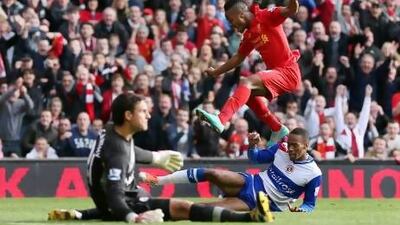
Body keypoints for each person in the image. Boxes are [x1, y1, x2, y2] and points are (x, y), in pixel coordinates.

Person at [48, 93, 273, 223]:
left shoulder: (111, 130)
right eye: (142, 111)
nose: (148, 114)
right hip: (128, 201)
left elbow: (129, 153)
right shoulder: (117, 151)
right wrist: (135, 218)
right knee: (184, 207)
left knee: (153, 200)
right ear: (128, 116)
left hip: (124, 195)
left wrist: (155, 158)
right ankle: (250, 219)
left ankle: (79, 214)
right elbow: (115, 199)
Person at [195, 0, 301, 147]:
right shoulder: (249, 35)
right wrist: (216, 72)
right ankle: (277, 128)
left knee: (247, 82)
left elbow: (291, 9)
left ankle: (221, 119)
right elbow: (238, 58)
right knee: (246, 92)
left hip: (288, 72)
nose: (232, 25)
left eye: (232, 20)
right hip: (279, 73)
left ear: (242, 15)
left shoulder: (267, 16)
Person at [141, 127, 322, 212]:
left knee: (203, 209)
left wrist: (301, 210)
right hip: (251, 182)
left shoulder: (314, 173)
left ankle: (154, 211)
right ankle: (158, 180)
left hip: (259, 203)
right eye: (289, 144)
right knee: (212, 173)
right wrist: (252, 146)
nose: (290, 148)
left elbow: (309, 204)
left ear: (306, 145)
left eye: (295, 146)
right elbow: (255, 158)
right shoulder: (281, 148)